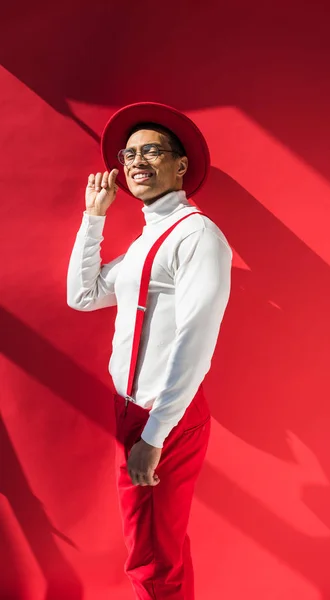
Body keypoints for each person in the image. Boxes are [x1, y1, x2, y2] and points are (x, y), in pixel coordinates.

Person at [66, 102, 232, 599]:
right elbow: (84, 295)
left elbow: (197, 340)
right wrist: (93, 219)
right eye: (129, 153)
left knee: (152, 557)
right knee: (155, 547)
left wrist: (156, 433)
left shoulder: (197, 235)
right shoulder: (146, 241)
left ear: (180, 166)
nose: (136, 161)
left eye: (151, 150)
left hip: (165, 415)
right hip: (129, 410)